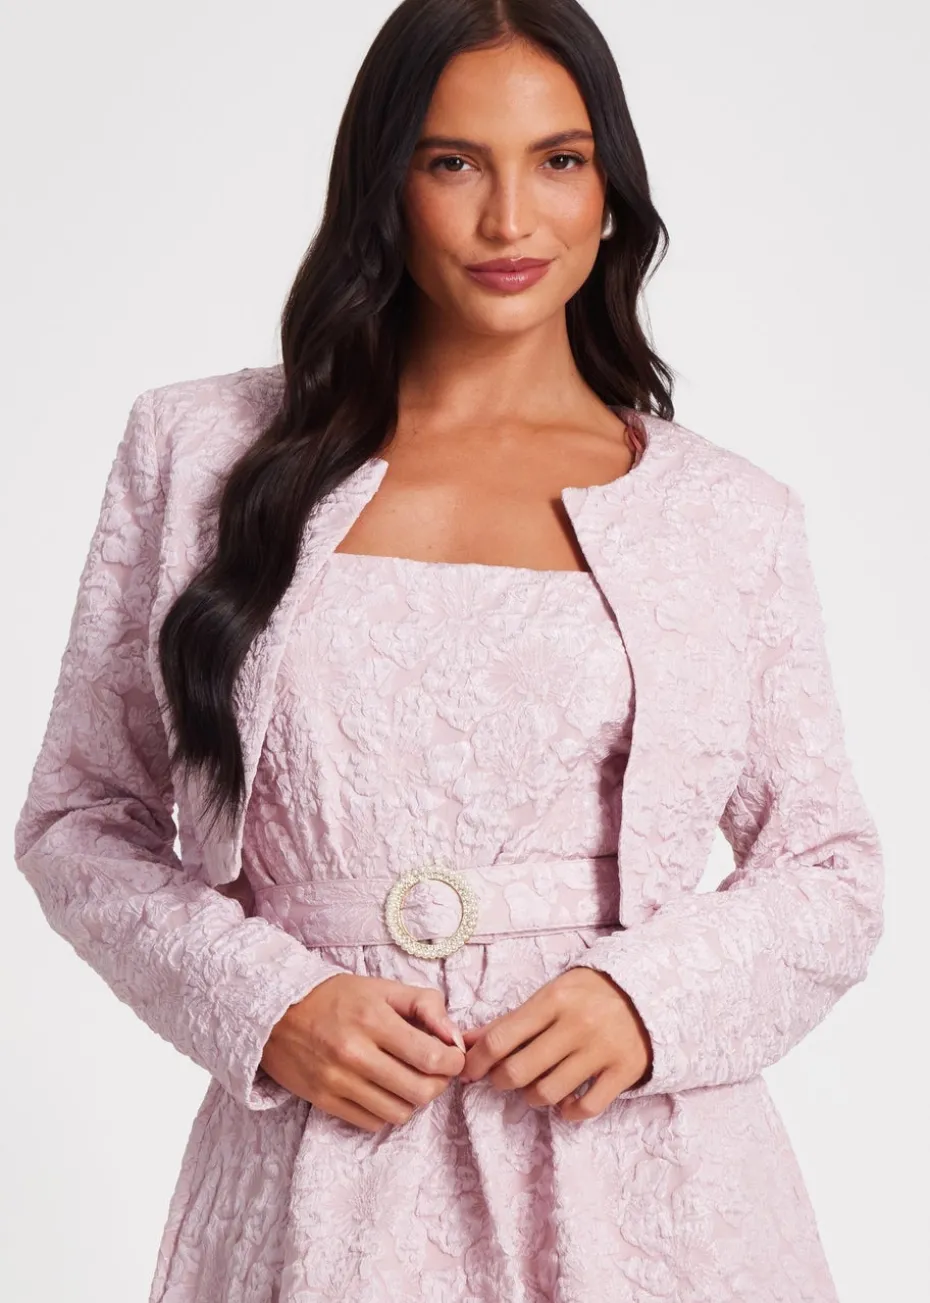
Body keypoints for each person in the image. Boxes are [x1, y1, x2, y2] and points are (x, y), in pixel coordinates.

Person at [13, 1, 884, 1300]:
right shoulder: (199, 453)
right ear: (384, 182)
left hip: (644, 1187)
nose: (509, 220)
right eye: (453, 161)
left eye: (558, 160)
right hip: (320, 1172)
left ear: (609, 189)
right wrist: (265, 1002)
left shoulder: (722, 514)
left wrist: (650, 1002)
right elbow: (81, 817)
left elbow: (830, 868)